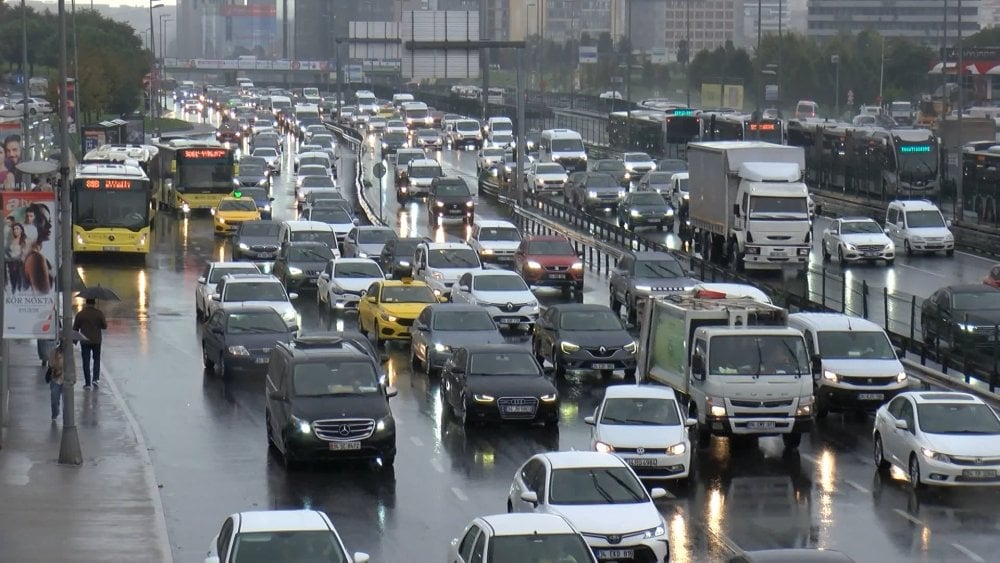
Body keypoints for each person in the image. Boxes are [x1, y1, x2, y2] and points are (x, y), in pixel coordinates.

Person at [73, 298, 107, 389]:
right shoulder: (99, 313)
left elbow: (75, 328)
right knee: (96, 360)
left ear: (86, 303)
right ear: (94, 303)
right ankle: (95, 379)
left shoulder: (81, 314)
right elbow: (105, 326)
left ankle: (87, 383)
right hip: (96, 340)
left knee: (86, 361)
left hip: (84, 341)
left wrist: (74, 340)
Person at [48, 342, 64, 422]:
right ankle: (55, 413)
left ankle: (66, 417)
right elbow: (50, 364)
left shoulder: (70, 354)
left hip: (66, 379)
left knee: (67, 401)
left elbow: (73, 366)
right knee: (54, 399)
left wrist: (74, 378)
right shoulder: (54, 352)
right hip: (56, 378)